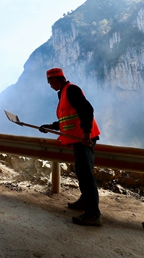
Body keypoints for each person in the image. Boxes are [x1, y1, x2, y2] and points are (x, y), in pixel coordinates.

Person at [39, 68, 102, 226]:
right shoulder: (63, 93)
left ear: (56, 79)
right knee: (81, 172)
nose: (49, 85)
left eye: (50, 81)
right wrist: (51, 126)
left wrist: (86, 133)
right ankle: (85, 200)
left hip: (84, 139)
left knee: (86, 175)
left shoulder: (71, 90)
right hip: (77, 139)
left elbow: (87, 110)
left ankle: (93, 214)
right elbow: (68, 119)